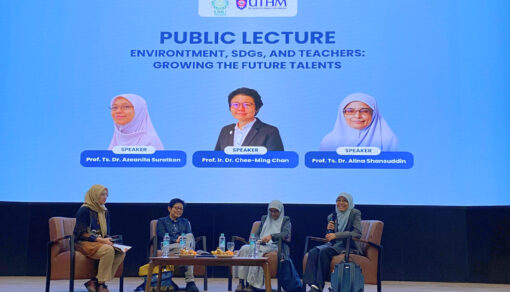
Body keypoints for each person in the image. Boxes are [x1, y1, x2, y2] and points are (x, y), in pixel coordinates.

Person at [303, 193, 362, 292]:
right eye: (338, 200)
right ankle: (313, 285)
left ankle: (318, 286)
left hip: (348, 246)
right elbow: (331, 238)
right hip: (335, 245)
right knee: (313, 252)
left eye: (344, 201)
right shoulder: (332, 216)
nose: (341, 203)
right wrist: (329, 231)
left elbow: (357, 233)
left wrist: (336, 235)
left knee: (324, 252)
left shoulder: (354, 213)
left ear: (350, 202)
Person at [73, 184, 125, 292]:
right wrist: (101, 240)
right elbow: (81, 233)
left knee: (121, 251)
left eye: (106, 194)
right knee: (108, 250)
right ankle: (101, 284)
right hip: (83, 242)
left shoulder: (105, 211)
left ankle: (95, 281)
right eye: (102, 194)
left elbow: (105, 233)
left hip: (99, 242)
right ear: (94, 195)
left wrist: (109, 239)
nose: (105, 197)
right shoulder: (85, 210)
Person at [233, 200, 291, 291]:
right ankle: (241, 282)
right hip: (261, 244)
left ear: (280, 211)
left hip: (275, 246)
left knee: (258, 252)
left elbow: (285, 234)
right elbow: (257, 234)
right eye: (271, 211)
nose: (273, 214)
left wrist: (271, 236)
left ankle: (251, 284)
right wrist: (259, 240)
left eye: (276, 211)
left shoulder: (285, 220)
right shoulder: (264, 218)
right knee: (245, 248)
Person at [319, 93, 397, 151]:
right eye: (350, 111)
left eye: (364, 111)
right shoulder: (329, 141)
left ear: (374, 114)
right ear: (342, 114)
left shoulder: (389, 140)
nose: (357, 116)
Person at [215, 87, 284, 151]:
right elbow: (216, 159)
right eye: (236, 105)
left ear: (256, 108)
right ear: (230, 107)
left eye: (247, 105)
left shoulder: (270, 131)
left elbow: (276, 161)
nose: (240, 109)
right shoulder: (225, 130)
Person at [156, 198, 199, 292]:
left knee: (189, 237)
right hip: (169, 247)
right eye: (176, 208)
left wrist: (183, 240)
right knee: (189, 253)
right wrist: (176, 240)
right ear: (169, 209)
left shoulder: (185, 222)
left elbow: (189, 237)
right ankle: (190, 281)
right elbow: (161, 234)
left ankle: (185, 257)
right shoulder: (161, 221)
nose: (179, 210)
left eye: (181, 209)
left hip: (183, 247)